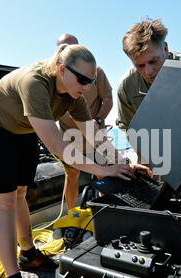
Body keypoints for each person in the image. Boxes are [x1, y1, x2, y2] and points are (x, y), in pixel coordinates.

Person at [0, 44, 151, 278]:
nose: (87, 88)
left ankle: (28, 254)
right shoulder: (35, 83)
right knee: (4, 200)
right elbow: (59, 147)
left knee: (20, 193)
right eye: (83, 80)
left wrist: (124, 164)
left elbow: (96, 137)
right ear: (62, 70)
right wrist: (103, 170)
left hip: (21, 129)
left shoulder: (73, 97)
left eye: (92, 81)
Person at [116, 17, 181, 182]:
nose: (148, 71)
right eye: (140, 66)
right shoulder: (126, 87)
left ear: (165, 48)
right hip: (158, 152)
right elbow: (131, 129)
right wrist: (145, 161)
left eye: (153, 61)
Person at [56, 33, 114, 210]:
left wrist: (97, 119)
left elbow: (108, 99)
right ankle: (71, 214)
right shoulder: (53, 80)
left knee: (103, 174)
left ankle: (107, 211)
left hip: (95, 137)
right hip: (70, 138)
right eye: (63, 48)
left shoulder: (98, 72)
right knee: (71, 175)